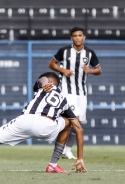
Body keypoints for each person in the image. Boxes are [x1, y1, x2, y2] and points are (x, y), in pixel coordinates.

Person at [0, 72, 87, 174]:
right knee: (68, 123)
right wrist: (80, 158)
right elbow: (79, 129)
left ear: (50, 82)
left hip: (24, 121)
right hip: (46, 127)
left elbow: (42, 80)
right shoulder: (64, 100)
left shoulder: (40, 87)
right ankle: (52, 165)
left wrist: (44, 82)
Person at [48, 27, 102, 159]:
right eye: (75, 36)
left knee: (79, 123)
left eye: (80, 35)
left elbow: (99, 69)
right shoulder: (64, 51)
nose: (78, 37)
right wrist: (63, 70)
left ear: (84, 37)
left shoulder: (89, 53)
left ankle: (66, 149)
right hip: (67, 92)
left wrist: (89, 71)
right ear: (71, 38)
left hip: (82, 93)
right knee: (74, 120)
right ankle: (60, 149)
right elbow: (51, 64)